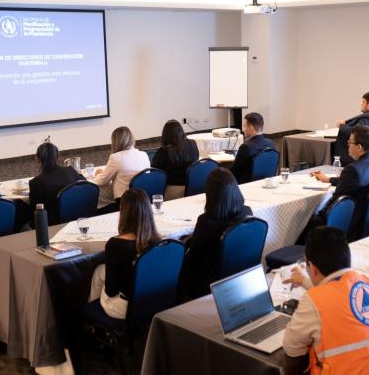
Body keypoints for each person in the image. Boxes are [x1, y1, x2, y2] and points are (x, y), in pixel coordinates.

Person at [282, 226, 369, 375]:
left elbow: (292, 349)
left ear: (312, 267)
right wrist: (305, 281)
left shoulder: (314, 300)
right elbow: (340, 294)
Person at [179, 168, 252, 299]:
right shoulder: (247, 212)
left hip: (210, 282)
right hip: (240, 273)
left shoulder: (206, 221)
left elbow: (193, 260)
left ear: (210, 195)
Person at [89, 189, 161, 319]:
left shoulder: (115, 245)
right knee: (101, 271)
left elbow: (111, 291)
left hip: (126, 309)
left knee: (99, 273)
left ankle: (92, 317)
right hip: (153, 302)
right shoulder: (156, 241)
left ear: (123, 212)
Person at [308, 125, 369, 240]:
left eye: (350, 142)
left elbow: (335, 204)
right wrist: (328, 179)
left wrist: (317, 215)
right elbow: (357, 182)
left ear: (359, 147)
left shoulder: (352, 169)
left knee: (307, 221)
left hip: (347, 224)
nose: (347, 144)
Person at [93, 126, 150, 213]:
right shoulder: (144, 155)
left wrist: (98, 175)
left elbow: (102, 181)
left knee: (95, 209)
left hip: (124, 202)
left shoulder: (116, 158)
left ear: (115, 142)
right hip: (143, 200)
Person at [28, 142, 85, 225]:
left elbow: (34, 212)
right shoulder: (71, 171)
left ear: (38, 159)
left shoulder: (36, 182)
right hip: (78, 218)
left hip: (51, 225)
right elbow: (85, 185)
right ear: (57, 157)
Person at [335, 92, 369, 165]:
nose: (361, 104)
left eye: (363, 102)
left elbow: (358, 133)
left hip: (359, 155)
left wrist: (342, 125)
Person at [151, 120, 200, 200]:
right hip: (193, 188)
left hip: (173, 191)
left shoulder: (164, 151)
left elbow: (155, 171)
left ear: (165, 135)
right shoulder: (192, 144)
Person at [230, 112, 275, 184]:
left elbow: (233, 172)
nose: (243, 130)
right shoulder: (271, 143)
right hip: (265, 183)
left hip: (246, 185)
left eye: (244, 126)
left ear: (251, 128)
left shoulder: (246, 147)